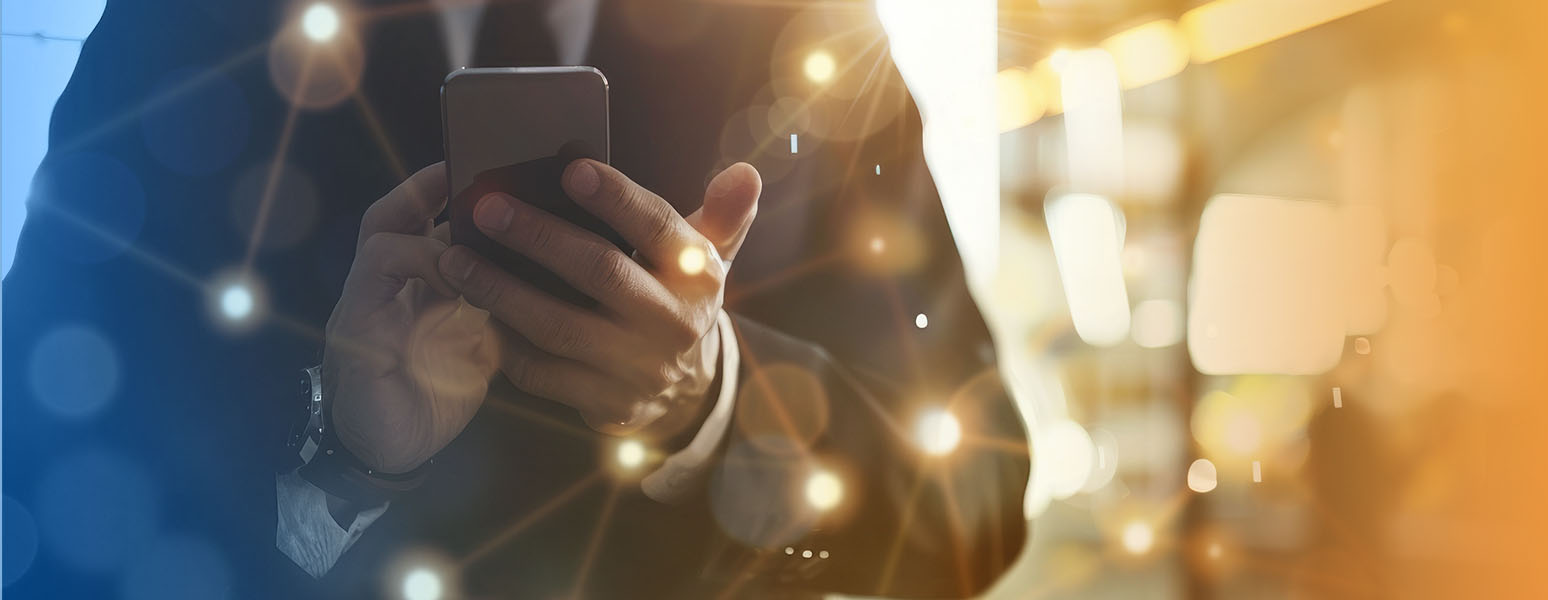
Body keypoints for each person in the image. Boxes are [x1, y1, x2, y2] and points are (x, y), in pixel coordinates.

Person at [2, 0, 1028, 597]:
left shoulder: (802, 35)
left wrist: (715, 400)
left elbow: (972, 512)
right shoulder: (190, 27)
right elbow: (33, 460)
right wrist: (341, 462)